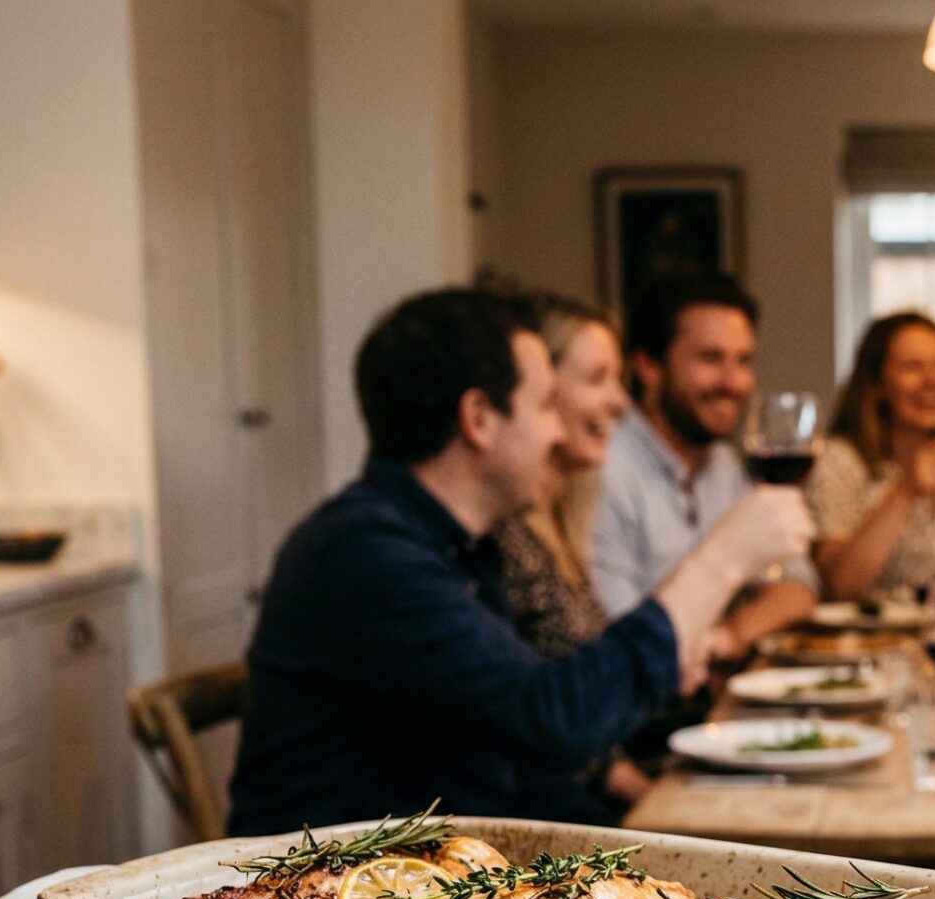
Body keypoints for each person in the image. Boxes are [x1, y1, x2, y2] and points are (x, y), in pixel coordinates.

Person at [227, 286, 812, 834]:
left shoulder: (457, 544)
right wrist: (723, 560)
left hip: (435, 868)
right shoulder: (367, 554)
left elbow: (516, 751)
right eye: (543, 406)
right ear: (479, 418)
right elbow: (551, 723)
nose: (556, 433)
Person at [485, 289, 654, 813]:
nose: (622, 402)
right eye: (597, 378)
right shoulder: (503, 533)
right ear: (539, 387)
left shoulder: (566, 519)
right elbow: (528, 723)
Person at [589, 273, 818, 659]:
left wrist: (731, 635)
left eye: (743, 360)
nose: (734, 382)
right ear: (648, 366)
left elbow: (800, 582)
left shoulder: (723, 463)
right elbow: (625, 639)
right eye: (710, 359)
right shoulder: (606, 470)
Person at [806, 312, 935, 601]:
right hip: (867, 643)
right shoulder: (841, 462)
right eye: (912, 367)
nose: (933, 381)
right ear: (876, 384)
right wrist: (907, 489)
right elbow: (839, 587)